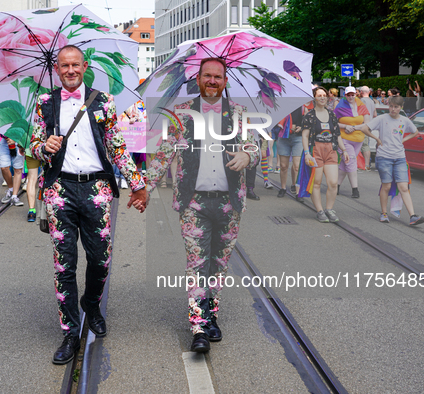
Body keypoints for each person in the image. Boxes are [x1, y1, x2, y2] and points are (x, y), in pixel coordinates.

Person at [29, 45, 146, 365]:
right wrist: (44, 146)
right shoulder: (44, 103)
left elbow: (118, 147)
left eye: (75, 65)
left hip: (96, 189)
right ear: (57, 68)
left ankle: (91, 303)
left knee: (100, 259)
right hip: (59, 190)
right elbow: (33, 147)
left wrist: (138, 185)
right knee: (64, 265)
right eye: (64, 66)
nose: (70, 70)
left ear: (84, 66)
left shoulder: (102, 102)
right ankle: (69, 331)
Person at [145, 57, 260, 353]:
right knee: (197, 265)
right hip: (193, 203)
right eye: (207, 76)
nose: (212, 81)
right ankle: (198, 326)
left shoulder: (239, 113)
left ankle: (211, 316)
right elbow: (163, 154)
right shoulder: (181, 115)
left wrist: (249, 156)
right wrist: (144, 188)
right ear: (197, 79)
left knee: (218, 265)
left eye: (218, 77)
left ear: (225, 81)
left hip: (229, 204)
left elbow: (255, 145)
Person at [350, 96, 424, 225]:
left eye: (396, 107)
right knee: (387, 185)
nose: (393, 109)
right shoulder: (382, 118)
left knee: (403, 187)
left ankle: (413, 216)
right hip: (384, 157)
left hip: (400, 157)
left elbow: (415, 132)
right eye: (391, 106)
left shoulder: (405, 120)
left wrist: (403, 140)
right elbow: (365, 128)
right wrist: (377, 139)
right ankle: (384, 213)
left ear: (401, 107)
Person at [301, 87, 350, 222]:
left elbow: (337, 135)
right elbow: (304, 136)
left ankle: (329, 209)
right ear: (314, 98)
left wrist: (344, 150)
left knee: (333, 183)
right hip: (315, 149)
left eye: (324, 95)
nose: (322, 97)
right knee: (316, 183)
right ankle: (320, 211)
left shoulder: (332, 114)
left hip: (331, 150)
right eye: (319, 95)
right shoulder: (309, 116)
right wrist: (307, 154)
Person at [334, 86, 370, 198]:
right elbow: (333, 122)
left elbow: (367, 122)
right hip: (344, 139)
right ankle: (355, 189)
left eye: (352, 94)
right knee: (351, 161)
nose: (350, 97)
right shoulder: (340, 106)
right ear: (345, 95)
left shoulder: (361, 105)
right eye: (348, 95)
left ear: (356, 94)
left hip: (358, 139)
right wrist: (345, 126)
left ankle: (336, 186)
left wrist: (354, 127)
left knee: (345, 163)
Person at [276, 107, 305, 202]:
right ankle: (283, 188)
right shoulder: (282, 104)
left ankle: (298, 192)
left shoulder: (302, 105)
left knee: (297, 166)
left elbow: (308, 121)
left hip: (298, 137)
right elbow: (274, 119)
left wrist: (302, 127)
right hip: (284, 136)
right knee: (283, 166)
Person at [0, 131, 25, 207]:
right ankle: (11, 189)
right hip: (5, 142)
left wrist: (15, 139)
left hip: (19, 141)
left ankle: (15, 196)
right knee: (4, 167)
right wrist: (5, 136)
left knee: (18, 170)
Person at [359, 86, 377, 171]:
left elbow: (359, 113)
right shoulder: (371, 101)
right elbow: (375, 114)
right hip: (370, 125)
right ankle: (367, 164)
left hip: (362, 125)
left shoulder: (362, 101)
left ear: (361, 92)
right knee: (366, 144)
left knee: (363, 145)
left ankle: (365, 165)